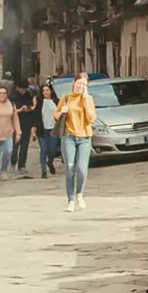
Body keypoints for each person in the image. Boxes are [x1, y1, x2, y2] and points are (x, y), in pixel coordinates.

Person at [58, 73, 97, 212]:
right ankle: (70, 200)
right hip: (69, 137)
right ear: (74, 83)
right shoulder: (66, 98)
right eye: (79, 83)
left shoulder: (89, 99)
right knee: (69, 169)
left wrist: (85, 101)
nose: (81, 86)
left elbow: (91, 118)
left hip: (85, 138)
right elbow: (56, 116)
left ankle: (79, 194)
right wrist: (62, 111)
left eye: (84, 84)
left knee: (81, 169)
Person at [11, 76, 36, 177]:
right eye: (21, 89)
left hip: (26, 123)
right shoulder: (13, 96)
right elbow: (11, 109)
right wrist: (20, 109)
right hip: (15, 124)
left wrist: (28, 108)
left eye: (25, 89)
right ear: (18, 88)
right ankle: (13, 161)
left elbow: (33, 107)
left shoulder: (29, 95)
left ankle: (22, 165)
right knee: (15, 145)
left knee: (24, 146)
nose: (23, 91)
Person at [37, 76, 61, 178]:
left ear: (51, 91)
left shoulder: (56, 101)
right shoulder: (39, 103)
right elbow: (36, 116)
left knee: (52, 150)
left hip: (53, 130)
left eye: (47, 90)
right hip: (42, 130)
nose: (46, 92)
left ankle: (50, 163)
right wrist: (34, 130)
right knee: (43, 150)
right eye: (44, 91)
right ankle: (43, 172)